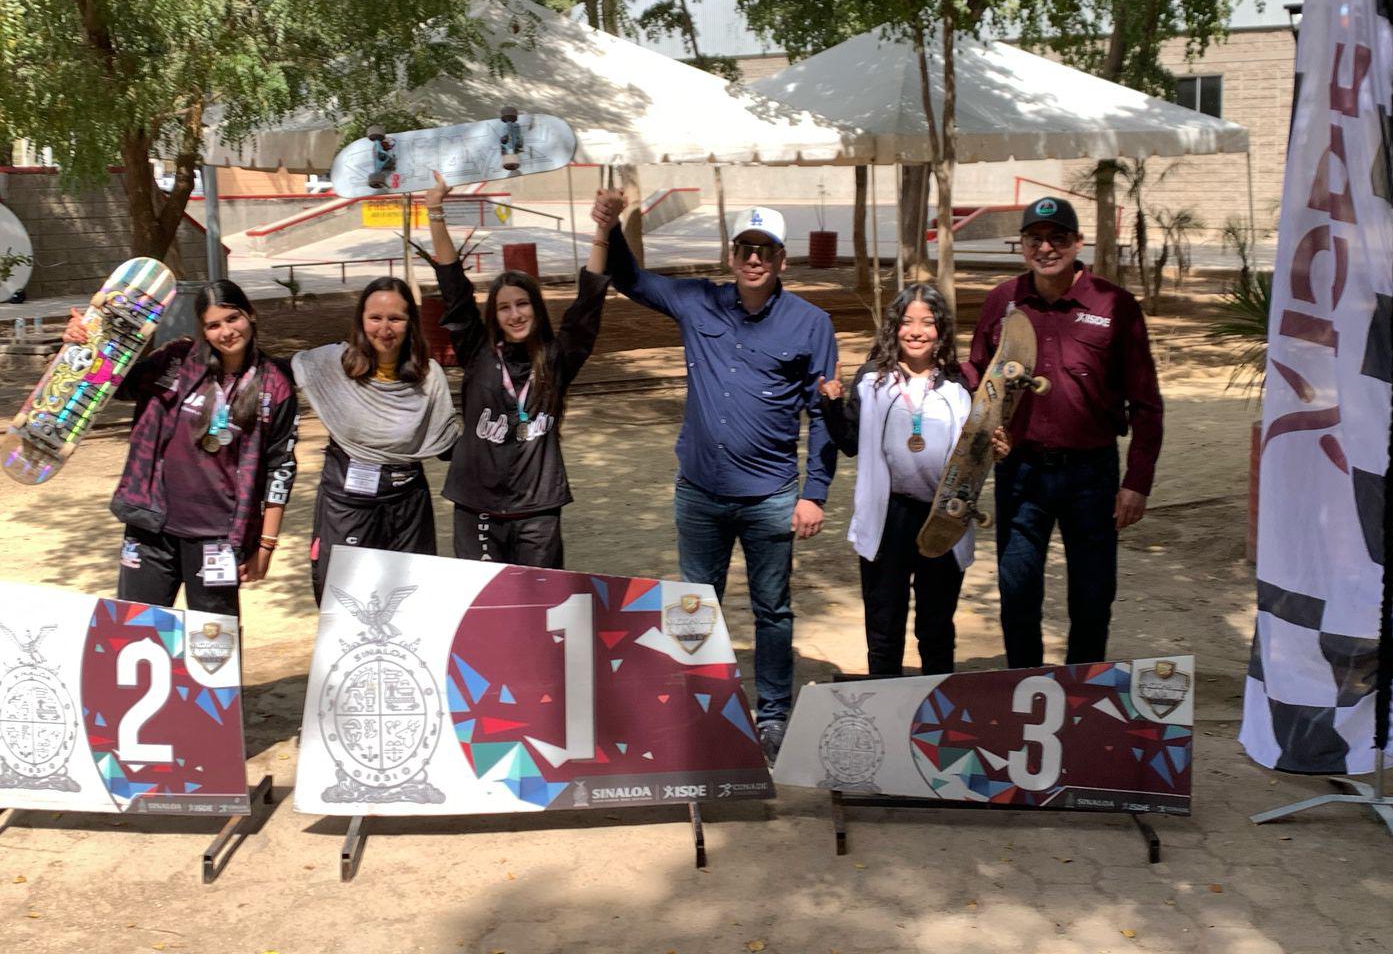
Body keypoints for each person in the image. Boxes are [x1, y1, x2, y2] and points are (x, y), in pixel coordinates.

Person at [593, 192, 837, 760]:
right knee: (694, 607)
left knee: (772, 611)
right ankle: (696, 706)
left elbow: (824, 418)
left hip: (771, 496)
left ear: (782, 261)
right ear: (732, 255)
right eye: (745, 248)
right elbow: (629, 278)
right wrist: (611, 225)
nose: (754, 259)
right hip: (699, 493)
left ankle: (774, 713)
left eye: (766, 250)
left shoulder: (812, 324)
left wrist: (814, 495)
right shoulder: (698, 302)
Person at [965, 196, 1164, 669]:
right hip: (1020, 472)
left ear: (1078, 243)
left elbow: (1147, 404)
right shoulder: (1003, 301)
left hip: (1091, 474)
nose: (1047, 248)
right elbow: (976, 374)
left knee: (1093, 597)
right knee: (1017, 594)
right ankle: (1023, 686)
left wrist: (1137, 482)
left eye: (1058, 238)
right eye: (1035, 239)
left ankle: (1082, 695)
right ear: (1023, 247)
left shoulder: (1115, 305)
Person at [64, 280, 299, 616]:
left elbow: (281, 469)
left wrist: (265, 546)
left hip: (218, 536)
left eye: (233, 319)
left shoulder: (274, 385)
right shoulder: (176, 360)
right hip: (151, 526)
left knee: (214, 648)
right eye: (214, 325)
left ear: (250, 315)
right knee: (135, 632)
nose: (226, 332)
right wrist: (85, 345)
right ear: (203, 331)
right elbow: (116, 384)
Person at [424, 171, 610, 568]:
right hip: (478, 508)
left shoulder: (556, 358)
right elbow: (454, 289)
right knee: (485, 611)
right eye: (504, 307)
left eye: (522, 304)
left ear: (536, 308)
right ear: (494, 315)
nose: (514, 314)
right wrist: (435, 210)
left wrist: (602, 231)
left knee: (537, 616)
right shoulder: (478, 352)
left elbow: (587, 307)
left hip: (537, 511)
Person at [818, 284, 1003, 677]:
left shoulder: (960, 384)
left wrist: (996, 448)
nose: (916, 331)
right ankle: (885, 706)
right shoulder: (872, 380)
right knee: (884, 628)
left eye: (927, 322)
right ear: (893, 328)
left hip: (943, 517)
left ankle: (937, 713)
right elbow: (850, 442)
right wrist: (831, 404)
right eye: (906, 322)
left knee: (936, 628)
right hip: (889, 518)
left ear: (942, 331)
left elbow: (975, 453)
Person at [292, 276, 459, 603]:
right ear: (360, 320)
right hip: (347, 504)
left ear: (410, 323)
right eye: (376, 318)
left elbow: (449, 447)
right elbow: (270, 375)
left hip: (408, 506)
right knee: (343, 606)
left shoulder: (429, 377)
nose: (385, 328)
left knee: (409, 606)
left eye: (395, 318)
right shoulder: (330, 365)